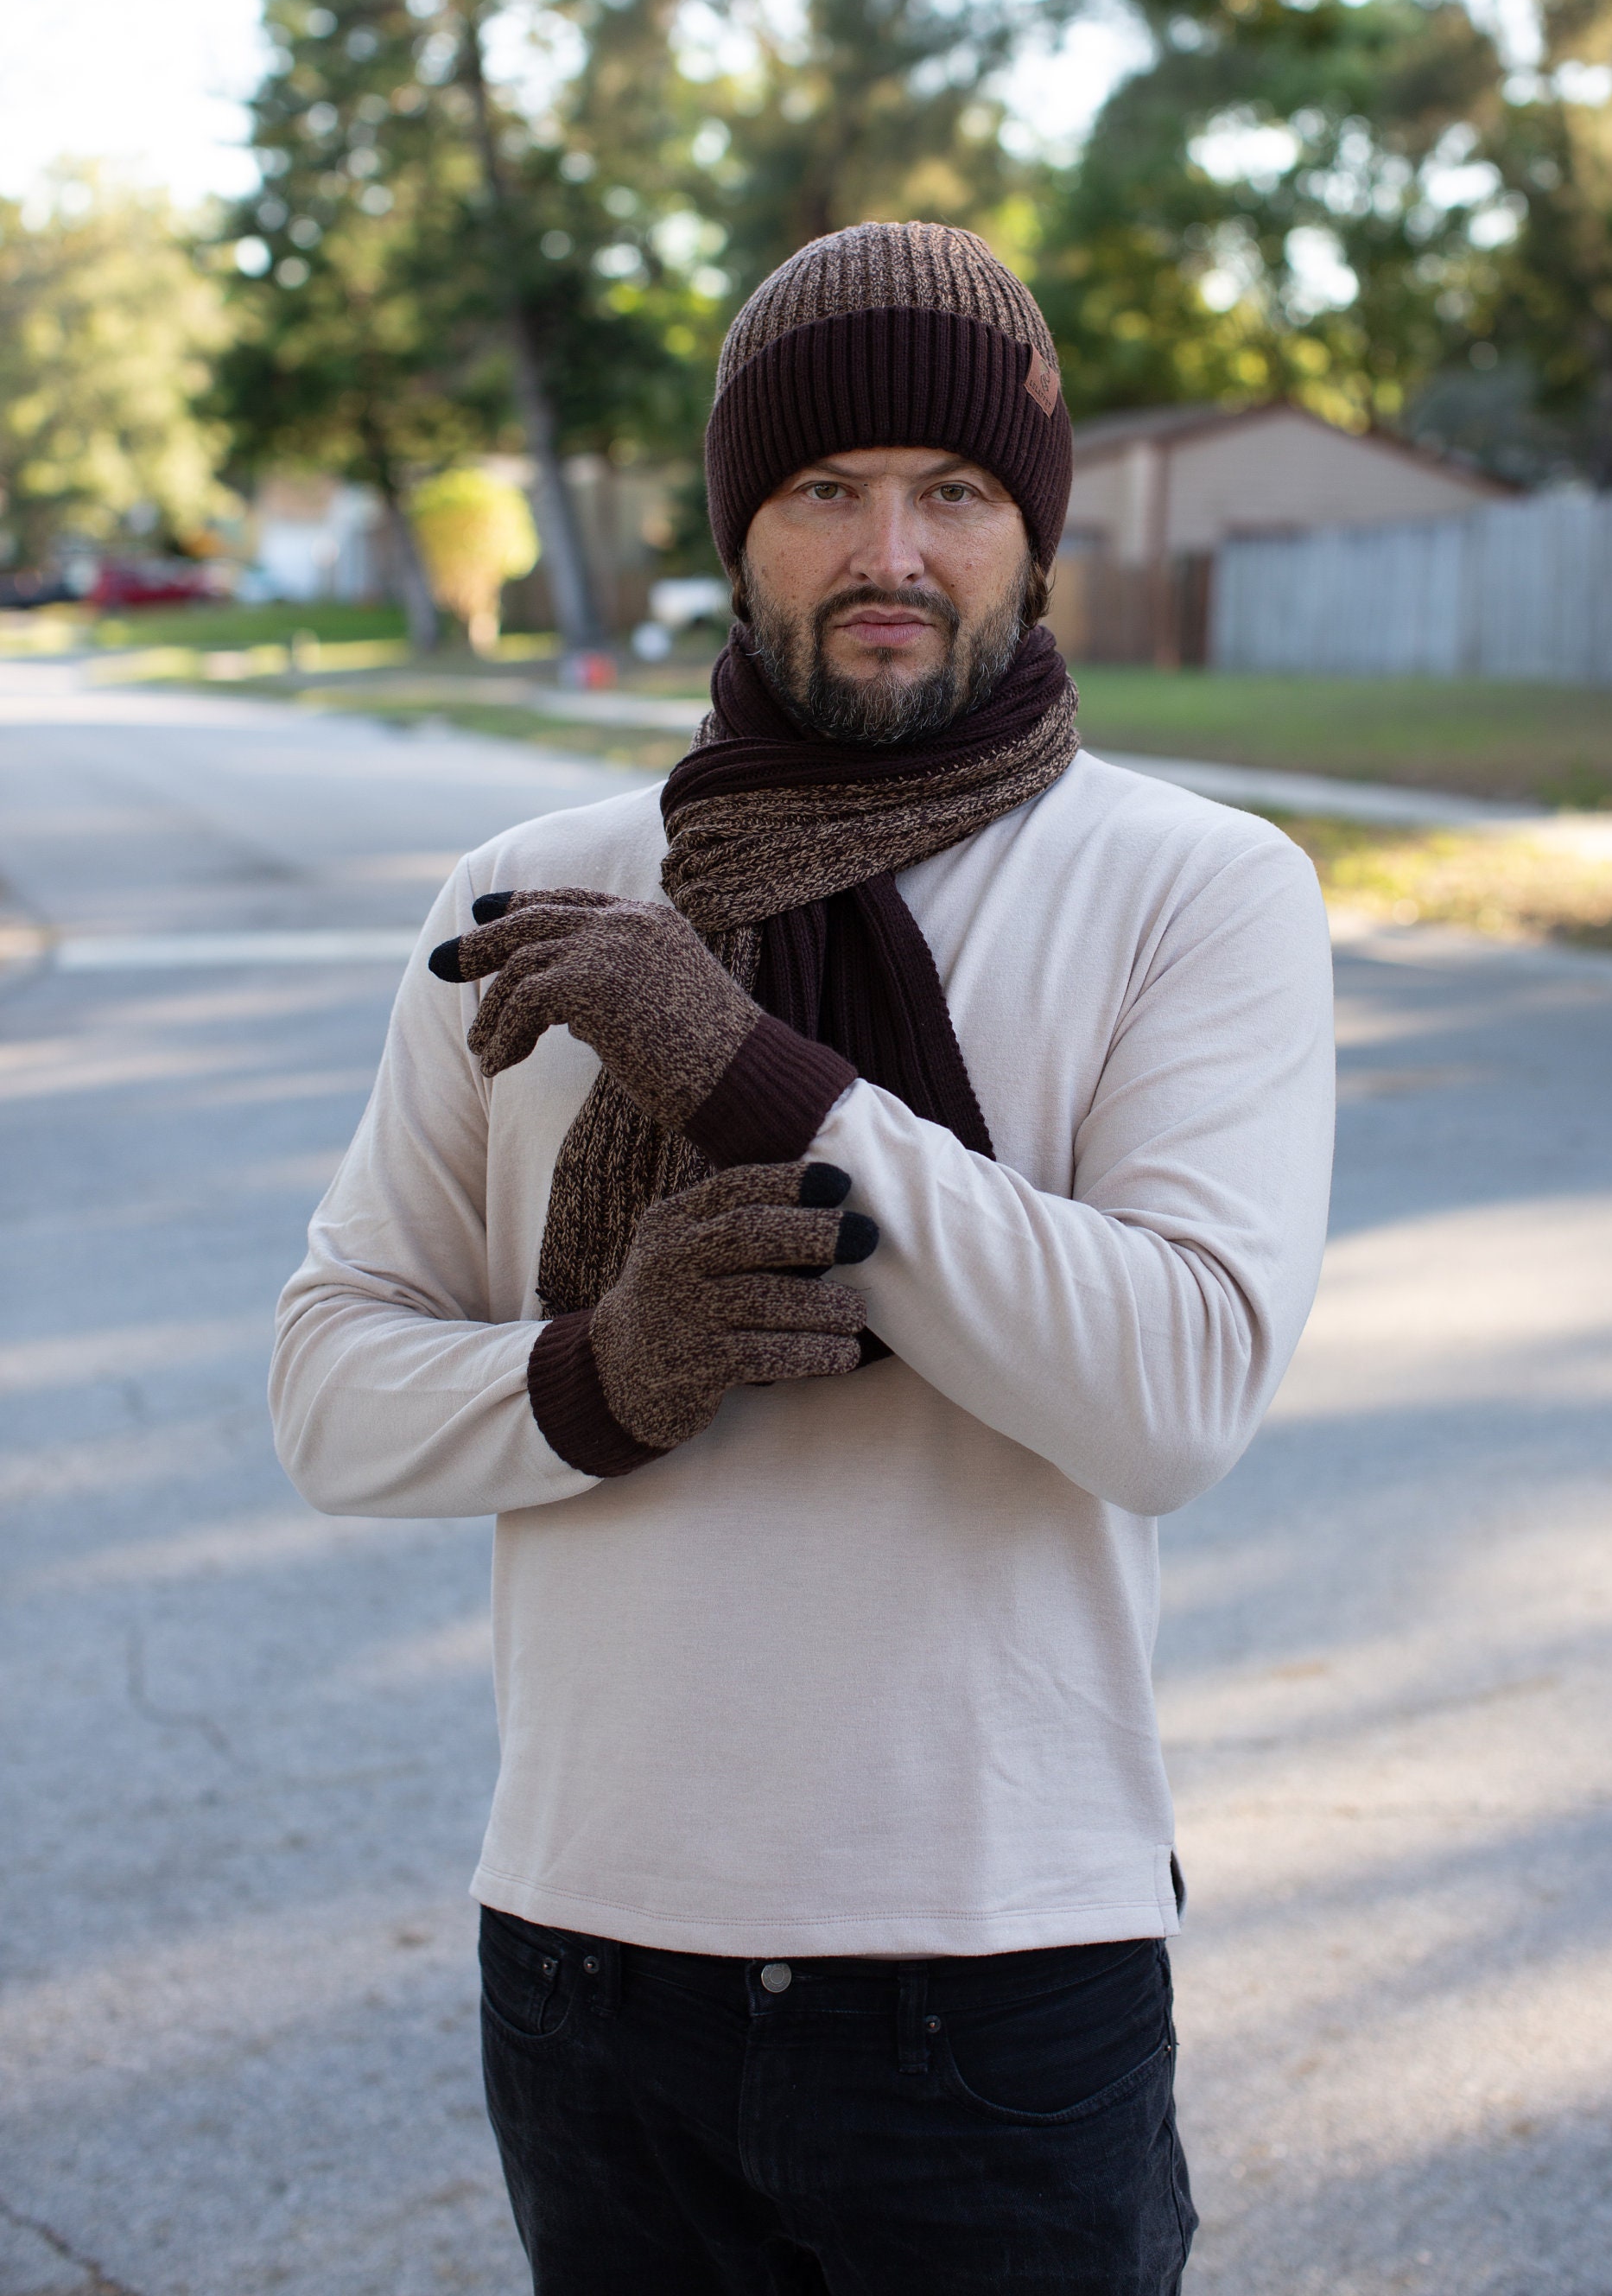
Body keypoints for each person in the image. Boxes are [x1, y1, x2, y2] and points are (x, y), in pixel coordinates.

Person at [271, 220, 1335, 2295]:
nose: (892, 551)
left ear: (1033, 540)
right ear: (734, 531)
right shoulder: (527, 894)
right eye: (821, 492)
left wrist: (754, 1077)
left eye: (952, 494)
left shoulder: (1192, 891)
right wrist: (597, 1376)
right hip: (592, 1960)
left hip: (996, 1960)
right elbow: (329, 1383)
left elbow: (1175, 1396)